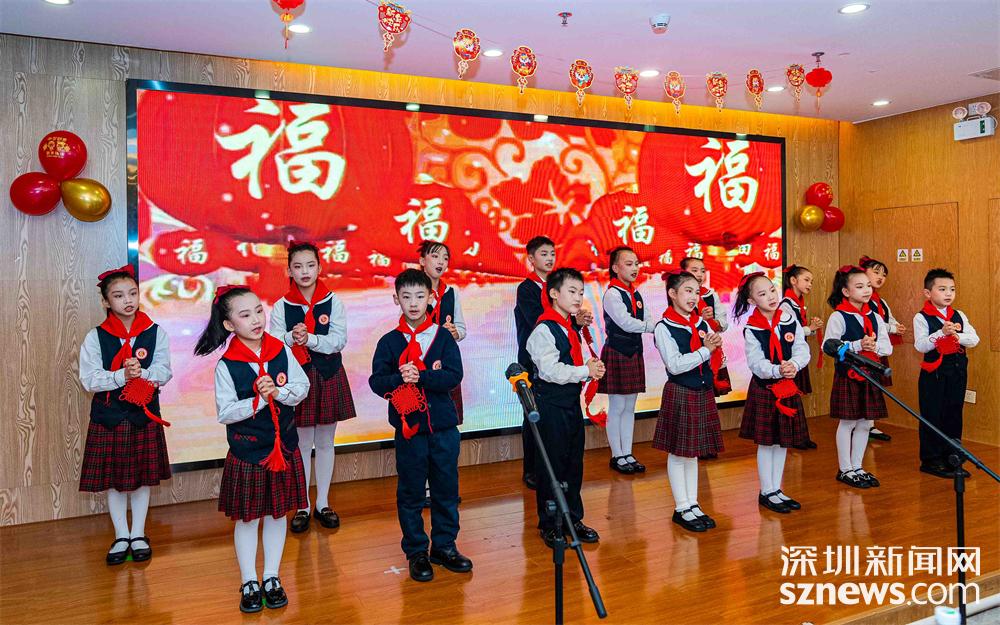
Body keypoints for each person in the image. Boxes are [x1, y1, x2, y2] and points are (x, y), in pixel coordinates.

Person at [195, 286, 310, 612]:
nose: (257, 319)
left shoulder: (280, 349)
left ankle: (271, 576)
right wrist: (259, 400)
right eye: (245, 315)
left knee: (277, 514)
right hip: (249, 453)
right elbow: (226, 413)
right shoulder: (226, 365)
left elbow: (302, 387)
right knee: (248, 520)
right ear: (229, 324)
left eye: (259, 310)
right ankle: (249, 580)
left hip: (283, 449)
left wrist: (280, 392)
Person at [369, 269, 471, 582]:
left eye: (419, 296)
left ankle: (444, 546)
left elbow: (454, 375)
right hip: (409, 432)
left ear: (431, 297)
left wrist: (422, 376)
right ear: (396, 299)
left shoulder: (443, 337)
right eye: (406, 297)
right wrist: (399, 378)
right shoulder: (389, 342)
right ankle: (416, 551)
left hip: (443, 429)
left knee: (446, 489)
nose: (413, 303)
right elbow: (376, 381)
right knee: (411, 491)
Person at [78, 265, 172, 565]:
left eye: (132, 293)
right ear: (105, 301)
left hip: (144, 416)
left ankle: (139, 533)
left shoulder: (155, 332)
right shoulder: (96, 337)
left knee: (142, 479)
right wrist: (121, 376)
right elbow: (89, 379)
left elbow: (165, 371)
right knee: (115, 481)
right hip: (109, 418)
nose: (128, 300)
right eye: (118, 296)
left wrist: (142, 373)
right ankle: (121, 535)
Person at [270, 241, 356, 533]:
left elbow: (339, 340)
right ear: (289, 271)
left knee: (326, 442)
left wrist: (311, 340)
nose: (304, 271)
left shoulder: (334, 301)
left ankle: (323, 503)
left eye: (310, 265)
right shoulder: (282, 305)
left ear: (320, 267)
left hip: (328, 375)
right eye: (298, 266)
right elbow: (274, 343)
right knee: (302, 444)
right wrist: (292, 338)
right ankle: (303, 506)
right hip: (298, 379)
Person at [527, 267, 604, 548]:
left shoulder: (570, 327)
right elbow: (551, 371)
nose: (578, 298)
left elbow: (574, 362)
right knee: (552, 466)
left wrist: (590, 368)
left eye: (581, 292)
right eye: (572, 291)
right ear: (553, 294)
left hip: (570, 404)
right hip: (551, 406)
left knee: (573, 463)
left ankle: (573, 518)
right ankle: (550, 524)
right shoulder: (543, 330)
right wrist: (585, 370)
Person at [514, 236, 592, 489]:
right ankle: (533, 469)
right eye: (544, 254)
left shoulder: (560, 287)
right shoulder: (527, 288)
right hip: (533, 363)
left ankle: (558, 482)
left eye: (552, 254)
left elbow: (563, 327)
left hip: (562, 367)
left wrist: (576, 322)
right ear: (531, 258)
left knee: (565, 442)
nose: (549, 258)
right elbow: (540, 321)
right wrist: (570, 320)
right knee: (535, 418)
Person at [652, 270, 724, 532]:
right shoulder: (664, 327)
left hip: (702, 390)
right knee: (678, 452)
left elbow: (711, 351)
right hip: (681, 391)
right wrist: (707, 350)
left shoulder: (700, 323)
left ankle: (693, 504)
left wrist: (716, 347)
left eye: (696, 291)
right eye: (688, 291)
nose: (694, 297)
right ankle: (681, 507)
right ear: (672, 293)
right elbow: (675, 365)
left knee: (693, 452)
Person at [734, 273, 810, 514]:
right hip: (766, 389)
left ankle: (777, 488)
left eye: (772, 290)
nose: (770, 296)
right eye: (762, 294)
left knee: (782, 441)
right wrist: (777, 369)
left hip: (787, 386)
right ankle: (766, 491)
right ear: (752, 300)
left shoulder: (789, 319)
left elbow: (802, 348)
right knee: (767, 444)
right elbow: (755, 362)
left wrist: (794, 364)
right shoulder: (752, 328)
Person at [825, 266, 891, 489]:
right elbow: (829, 345)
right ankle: (845, 469)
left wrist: (874, 346)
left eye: (868, 286)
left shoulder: (875, 317)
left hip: (870, 374)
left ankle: (858, 466)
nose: (867, 290)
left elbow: (887, 347)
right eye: (860, 286)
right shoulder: (838, 316)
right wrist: (857, 345)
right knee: (848, 423)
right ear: (846, 291)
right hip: (849, 375)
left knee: (865, 423)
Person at [913, 268, 979, 478]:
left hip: (957, 372)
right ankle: (931, 460)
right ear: (928, 293)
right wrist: (941, 333)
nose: (948, 293)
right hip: (934, 374)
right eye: (942, 289)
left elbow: (974, 339)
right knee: (932, 415)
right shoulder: (921, 317)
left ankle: (952, 458)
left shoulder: (960, 315)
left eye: (952, 289)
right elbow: (921, 345)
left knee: (953, 414)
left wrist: (957, 336)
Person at [599, 246, 656, 474]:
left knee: (630, 406)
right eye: (629, 264)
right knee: (617, 406)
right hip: (617, 352)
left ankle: (628, 452)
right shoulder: (612, 294)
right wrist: (653, 327)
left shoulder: (636, 293)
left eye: (636, 263)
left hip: (633, 353)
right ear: (615, 268)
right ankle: (617, 455)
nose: (635, 268)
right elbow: (625, 323)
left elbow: (647, 317)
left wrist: (654, 325)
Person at [859, 255, 906, 442]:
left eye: (884, 275)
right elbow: (872, 322)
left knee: (873, 387)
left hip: (878, 349)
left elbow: (888, 318)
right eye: (876, 272)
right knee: (865, 387)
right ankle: (861, 424)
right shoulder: (862, 299)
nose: (880, 277)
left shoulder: (881, 301)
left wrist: (897, 326)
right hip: (865, 349)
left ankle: (869, 425)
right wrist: (892, 328)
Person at [779, 264, 823, 449]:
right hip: (789, 358)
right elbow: (789, 333)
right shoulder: (786, 304)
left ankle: (799, 437)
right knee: (790, 397)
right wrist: (810, 328)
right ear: (793, 280)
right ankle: (794, 438)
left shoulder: (797, 303)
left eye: (811, 281)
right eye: (806, 280)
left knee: (795, 397)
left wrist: (810, 328)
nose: (810, 284)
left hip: (796, 356)